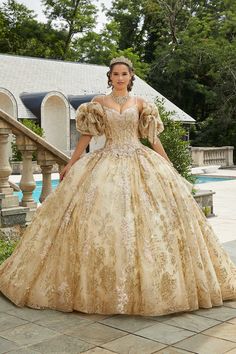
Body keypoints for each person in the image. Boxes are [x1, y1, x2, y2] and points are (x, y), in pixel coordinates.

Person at [0, 56, 235, 316]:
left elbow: (153, 139)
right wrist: (71, 163)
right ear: (109, 77)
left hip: (138, 159)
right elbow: (86, 136)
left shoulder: (143, 104)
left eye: (124, 74)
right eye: (116, 74)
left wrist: (168, 164)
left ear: (131, 77)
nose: (120, 78)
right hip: (107, 160)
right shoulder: (98, 104)